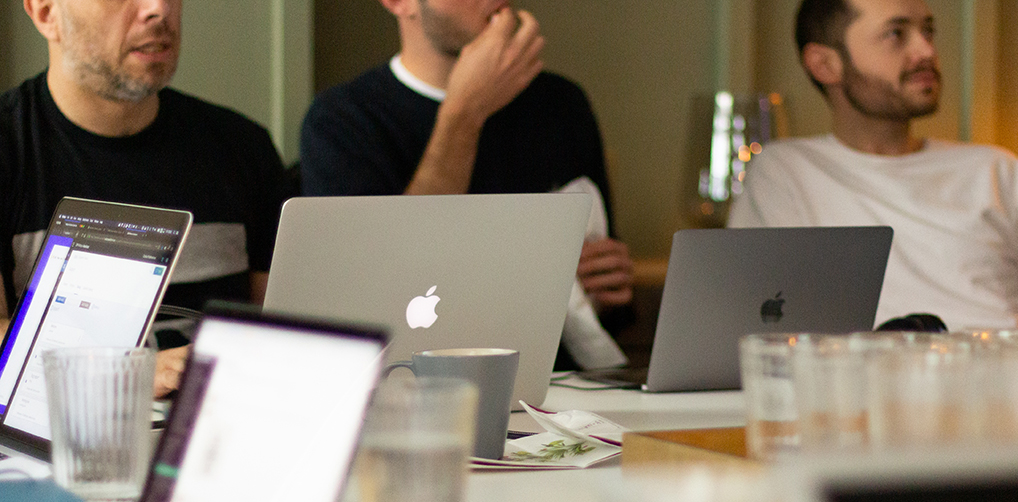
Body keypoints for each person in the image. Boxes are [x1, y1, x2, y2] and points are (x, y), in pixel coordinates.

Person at [300, 0, 634, 369]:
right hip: (416, 385)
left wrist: (602, 291)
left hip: (560, 386)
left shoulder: (562, 103)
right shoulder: (342, 120)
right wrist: (465, 112)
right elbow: (385, 294)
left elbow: (609, 311)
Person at [0, 0, 290, 396]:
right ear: (47, 13)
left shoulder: (242, 147)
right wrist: (126, 370)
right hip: (68, 429)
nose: (158, 9)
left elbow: (282, 317)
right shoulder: (11, 147)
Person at [729, 0, 1018, 331]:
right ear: (824, 64)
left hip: (1007, 374)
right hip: (866, 377)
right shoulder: (785, 173)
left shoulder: (997, 169)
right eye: (895, 34)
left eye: (928, 32)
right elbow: (758, 328)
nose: (926, 51)